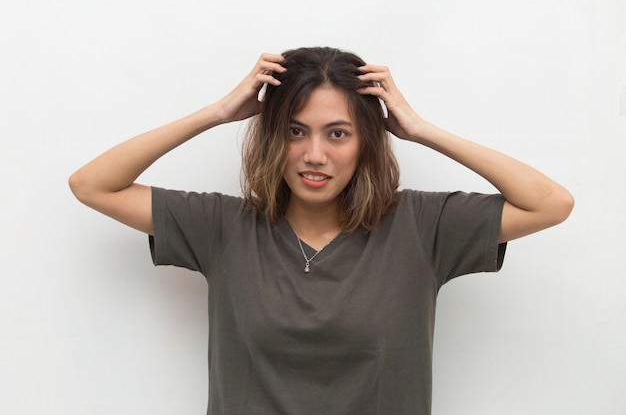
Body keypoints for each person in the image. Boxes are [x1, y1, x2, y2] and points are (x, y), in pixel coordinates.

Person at [69, 47, 574, 415]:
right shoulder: (223, 227)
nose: (315, 155)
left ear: (365, 142)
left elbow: (551, 203)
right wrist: (217, 113)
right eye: (295, 130)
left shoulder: (422, 227)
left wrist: (421, 129)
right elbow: (93, 185)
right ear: (274, 138)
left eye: (338, 133)